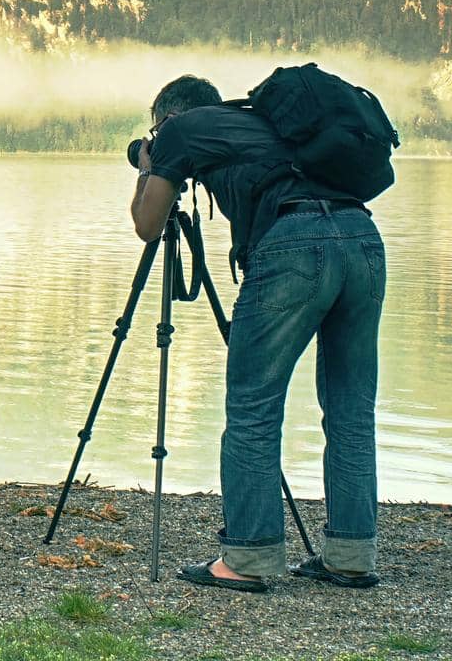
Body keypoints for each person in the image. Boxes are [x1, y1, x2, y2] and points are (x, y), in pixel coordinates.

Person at [129, 74, 385, 593]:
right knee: (351, 410)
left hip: (291, 245)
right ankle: (351, 556)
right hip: (363, 239)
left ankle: (247, 558)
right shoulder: (267, 123)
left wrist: (152, 166)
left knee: (253, 408)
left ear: (167, 118)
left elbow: (147, 225)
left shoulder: (183, 131)